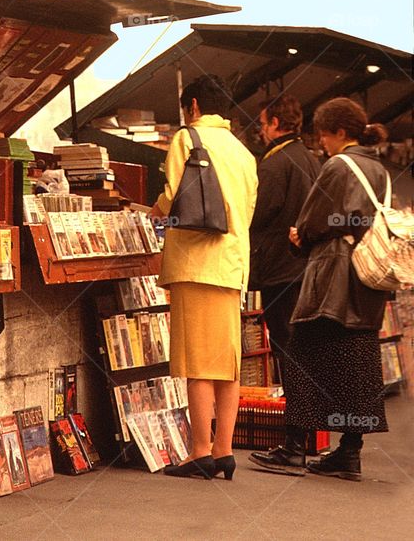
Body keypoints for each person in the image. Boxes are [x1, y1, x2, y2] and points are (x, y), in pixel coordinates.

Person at [278, 97, 391, 481]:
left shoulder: (340, 165)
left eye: (324, 134)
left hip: (332, 281)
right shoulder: (380, 170)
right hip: (367, 282)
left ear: (339, 132)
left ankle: (294, 449)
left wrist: (299, 235)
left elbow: (311, 221)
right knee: (357, 366)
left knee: (302, 356)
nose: (321, 142)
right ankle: (349, 452)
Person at [151, 75, 257, 479]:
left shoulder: (187, 138)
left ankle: (199, 452)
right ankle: (224, 450)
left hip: (197, 263)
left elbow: (174, 192)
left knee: (198, 362)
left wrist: (153, 211)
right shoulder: (244, 153)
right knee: (226, 364)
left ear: (192, 106)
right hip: (233, 265)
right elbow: (246, 212)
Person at [247, 95, 322, 475]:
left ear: (276, 122)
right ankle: (305, 439)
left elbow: (260, 213)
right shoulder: (311, 158)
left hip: (279, 268)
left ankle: (293, 444)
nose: (260, 130)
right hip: (307, 269)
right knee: (303, 354)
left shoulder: (275, 163)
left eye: (263, 123)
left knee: (286, 352)